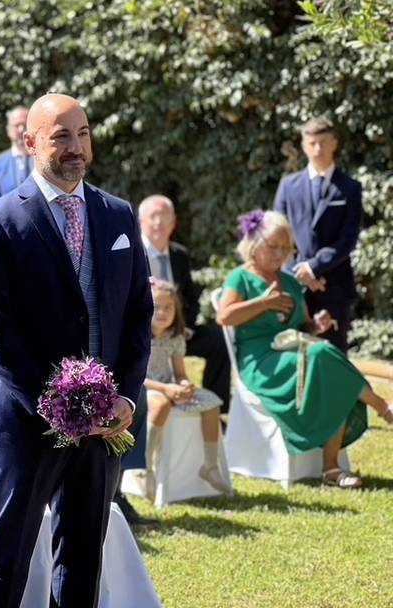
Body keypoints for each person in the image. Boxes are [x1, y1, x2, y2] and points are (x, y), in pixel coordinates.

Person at [0, 93, 153, 607]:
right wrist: (53, 403)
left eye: (83, 133)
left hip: (103, 423)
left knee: (82, 561)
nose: (76, 147)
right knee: (5, 560)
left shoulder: (117, 214)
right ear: (29, 142)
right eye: (61, 136)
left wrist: (126, 398)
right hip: (26, 422)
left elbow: (138, 313)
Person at [216, 210, 392, 489]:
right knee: (324, 357)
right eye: (273, 247)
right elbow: (224, 317)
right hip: (261, 362)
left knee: (328, 366)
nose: (279, 254)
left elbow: (303, 327)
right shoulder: (241, 278)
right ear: (254, 243)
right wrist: (263, 303)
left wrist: (316, 326)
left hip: (295, 352)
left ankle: (332, 469)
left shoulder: (289, 281)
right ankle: (382, 406)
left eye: (285, 248)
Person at [273, 117, 362, 352]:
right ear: (303, 146)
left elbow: (348, 240)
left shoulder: (350, 189)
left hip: (333, 287)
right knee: (292, 352)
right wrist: (299, 271)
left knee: (333, 354)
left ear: (335, 143)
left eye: (323, 142)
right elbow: (278, 236)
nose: (318, 149)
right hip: (292, 284)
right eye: (312, 143)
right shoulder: (287, 186)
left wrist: (313, 268)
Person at [139, 194, 232, 410]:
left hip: (176, 331)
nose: (159, 222)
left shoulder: (179, 254)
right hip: (143, 335)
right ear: (141, 222)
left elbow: (191, 298)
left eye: (164, 217)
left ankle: (217, 409)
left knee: (217, 342)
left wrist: (184, 327)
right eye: (153, 216)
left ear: (173, 223)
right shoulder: (132, 252)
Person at [145, 279, 231, 500]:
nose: (163, 312)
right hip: (148, 388)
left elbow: (180, 372)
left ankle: (210, 466)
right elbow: (137, 378)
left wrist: (184, 384)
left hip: (170, 386)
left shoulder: (175, 338)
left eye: (168, 308)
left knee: (211, 402)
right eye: (157, 307)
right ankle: (148, 466)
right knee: (161, 404)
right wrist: (167, 388)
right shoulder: (138, 337)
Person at [0, 106, 32, 201]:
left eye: (25, 125)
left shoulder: (42, 158)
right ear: (8, 130)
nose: (21, 129)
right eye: (17, 125)